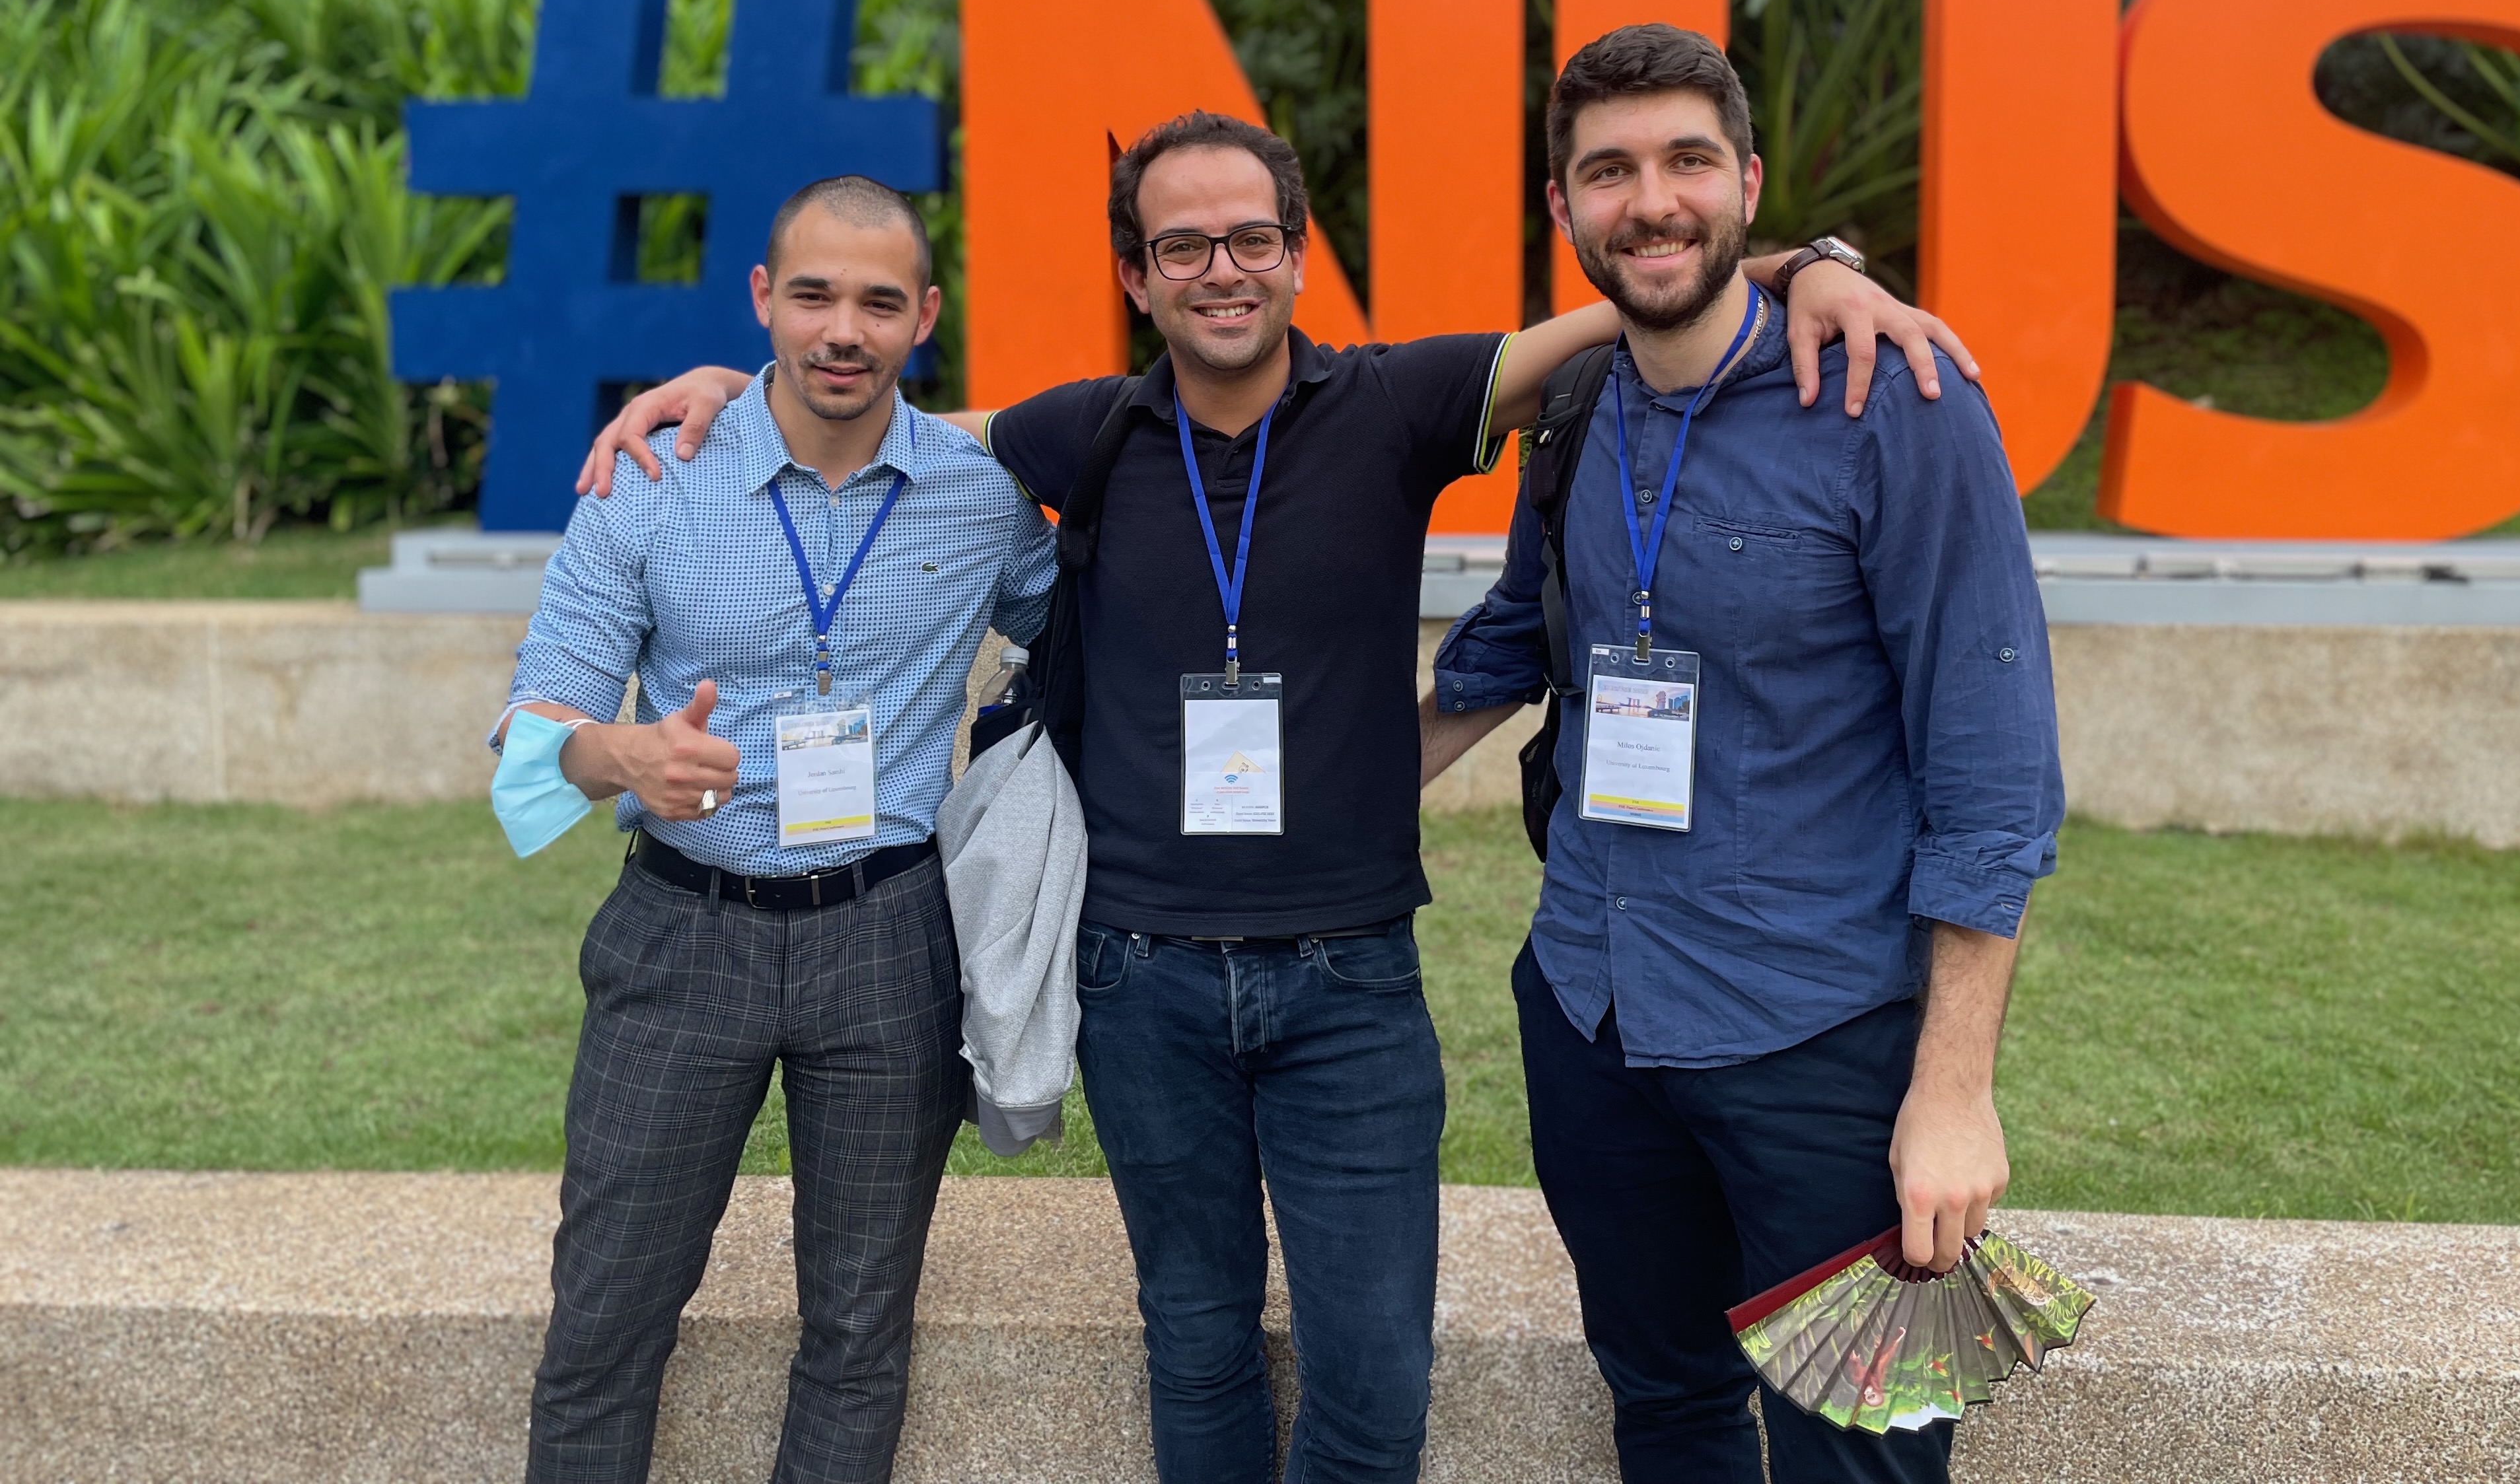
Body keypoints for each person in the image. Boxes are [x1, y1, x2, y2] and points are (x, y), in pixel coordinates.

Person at [581, 107, 1976, 1484]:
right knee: (1195, 1352)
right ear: (1136, 277)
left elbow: (1643, 295)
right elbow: (873, 415)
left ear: (1299, 256)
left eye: (1252, 239)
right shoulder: (1087, 434)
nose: (1223, 270)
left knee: (1374, 1392)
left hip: (1350, 988)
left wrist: (1811, 267)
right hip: (1140, 982)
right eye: (1181, 247)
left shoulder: (1397, 407)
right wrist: (721, 392)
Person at [1422, 26, 2064, 1484]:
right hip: (1591, 1017)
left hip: (1823, 1044)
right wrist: (1298, 811)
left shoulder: (1900, 403)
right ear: (1563, 207)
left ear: (1750, 183)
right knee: (1665, 1411)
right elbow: (1515, 638)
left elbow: (1994, 771)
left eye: (1688, 162)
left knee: (1866, 1455)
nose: (1652, 202)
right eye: (1610, 172)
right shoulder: (1574, 407)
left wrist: (1952, 1090)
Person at [495, 176, 1057, 1484]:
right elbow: (539, 713)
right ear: (762, 298)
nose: (841, 331)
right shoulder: (651, 479)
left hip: (891, 939)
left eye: (878, 302)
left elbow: (1083, 626)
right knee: (606, 1318)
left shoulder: (980, 496)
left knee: (860, 1330)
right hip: (682, 933)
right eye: (812, 295)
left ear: (925, 315)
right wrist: (623, 753)